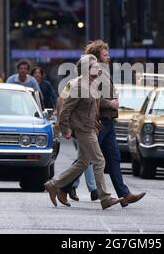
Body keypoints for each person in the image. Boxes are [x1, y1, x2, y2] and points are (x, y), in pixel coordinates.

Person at [61, 40, 146, 207]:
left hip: (108, 120)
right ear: (97, 57)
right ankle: (63, 186)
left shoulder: (103, 72)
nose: (109, 57)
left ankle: (124, 194)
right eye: (105, 54)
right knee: (86, 159)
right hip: (99, 122)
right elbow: (93, 98)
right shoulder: (94, 73)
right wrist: (110, 104)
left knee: (113, 158)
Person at [44, 54, 122, 210]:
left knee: (83, 163)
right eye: (95, 66)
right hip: (83, 130)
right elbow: (66, 109)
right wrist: (65, 129)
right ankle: (105, 198)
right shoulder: (79, 86)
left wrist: (109, 106)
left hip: (91, 128)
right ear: (87, 69)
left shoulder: (92, 84)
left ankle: (53, 184)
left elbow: (96, 105)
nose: (99, 67)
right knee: (99, 161)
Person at [55, 79, 98, 202]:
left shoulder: (94, 84)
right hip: (79, 126)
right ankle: (93, 189)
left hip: (90, 126)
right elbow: (61, 100)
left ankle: (68, 185)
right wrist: (62, 123)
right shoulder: (75, 83)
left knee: (84, 158)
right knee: (88, 157)